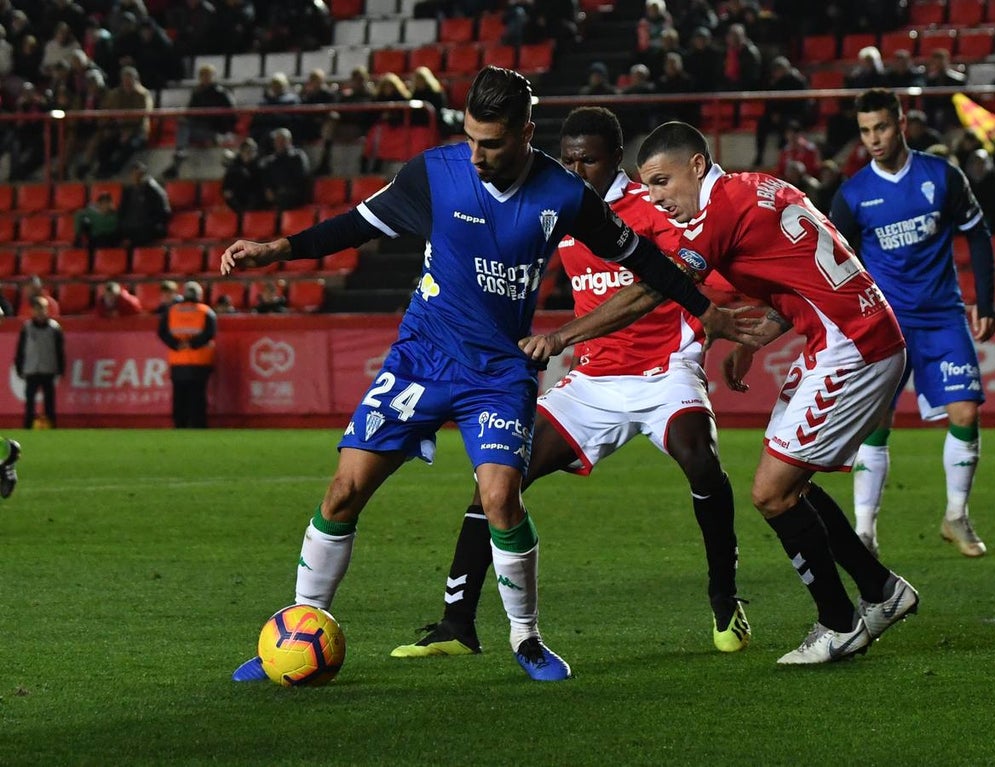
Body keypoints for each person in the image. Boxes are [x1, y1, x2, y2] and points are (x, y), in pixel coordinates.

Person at [218, 66, 762, 684]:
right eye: (471, 139)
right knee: (344, 491)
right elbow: (357, 225)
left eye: (492, 143)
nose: (477, 156)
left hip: (499, 371)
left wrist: (705, 312)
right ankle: (300, 626)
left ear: (526, 133)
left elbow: (645, 261)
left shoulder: (563, 194)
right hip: (423, 357)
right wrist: (278, 250)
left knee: (502, 498)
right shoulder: (435, 172)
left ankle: (526, 638)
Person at [391, 106, 748, 660]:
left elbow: (708, 277)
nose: (577, 170)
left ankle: (725, 600)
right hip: (594, 380)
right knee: (499, 480)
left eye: (590, 160)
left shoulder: (652, 208)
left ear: (617, 159)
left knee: (700, 458)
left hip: (665, 370)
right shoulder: (558, 209)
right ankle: (456, 624)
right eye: (569, 160)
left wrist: (742, 335)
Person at [561, 119, 915, 665]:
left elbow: (653, 290)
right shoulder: (759, 186)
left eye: (662, 182)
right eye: (647, 186)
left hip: (854, 346)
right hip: (842, 334)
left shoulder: (715, 215)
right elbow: (801, 270)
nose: (655, 198)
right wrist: (763, 332)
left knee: (772, 494)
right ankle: (880, 590)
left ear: (697, 165)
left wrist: (561, 337)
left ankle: (839, 623)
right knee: (791, 482)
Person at [829, 88, 995, 559]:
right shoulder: (853, 194)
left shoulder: (941, 176)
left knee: (966, 413)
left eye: (881, 127)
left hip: (943, 315)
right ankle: (865, 532)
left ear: (901, 124)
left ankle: (956, 515)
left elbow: (978, 236)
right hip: (887, 322)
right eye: (865, 131)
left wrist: (986, 302)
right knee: (876, 423)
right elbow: (833, 261)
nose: (873, 138)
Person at [157, 281, 216, 429]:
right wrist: (192, 344)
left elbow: (162, 332)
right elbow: (210, 333)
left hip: (177, 360)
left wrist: (177, 344)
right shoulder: (205, 311)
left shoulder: (172, 311)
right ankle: (198, 425)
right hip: (200, 360)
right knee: (198, 397)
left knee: (179, 397)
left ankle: (180, 426)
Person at [163, 63, 237, 180]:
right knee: (183, 125)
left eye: (208, 75)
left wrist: (224, 133)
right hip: (199, 129)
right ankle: (180, 152)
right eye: (203, 75)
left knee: (186, 128)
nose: (205, 78)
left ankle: (179, 156)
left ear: (213, 76)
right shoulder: (197, 93)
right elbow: (190, 113)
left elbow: (232, 115)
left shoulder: (222, 94)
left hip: (215, 131)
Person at [16, 296, 66, 429]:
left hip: (48, 369)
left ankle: (51, 425)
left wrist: (61, 368)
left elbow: (59, 350)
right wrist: (19, 367)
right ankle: (28, 426)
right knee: (30, 402)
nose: (40, 312)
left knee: (49, 402)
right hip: (31, 369)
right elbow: (21, 349)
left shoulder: (54, 328)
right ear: (33, 310)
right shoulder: (27, 327)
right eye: (37, 309)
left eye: (42, 308)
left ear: (47, 310)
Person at [118, 161, 171, 247]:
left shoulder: (153, 190)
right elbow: (122, 211)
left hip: (148, 226)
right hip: (130, 227)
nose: (137, 177)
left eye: (140, 174)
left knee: (139, 237)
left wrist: (158, 222)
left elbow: (163, 210)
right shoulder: (127, 191)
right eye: (134, 174)